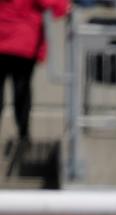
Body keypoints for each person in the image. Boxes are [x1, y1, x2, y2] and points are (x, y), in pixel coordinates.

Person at [0, 0, 69, 163]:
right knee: (22, 92)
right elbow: (58, 7)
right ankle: (23, 137)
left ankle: (23, 137)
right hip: (24, 41)